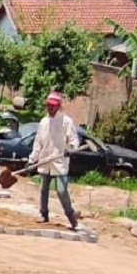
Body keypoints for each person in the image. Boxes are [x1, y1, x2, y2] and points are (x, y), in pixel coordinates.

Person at [28, 91, 80, 230]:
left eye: (53, 106)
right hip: (45, 160)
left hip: (59, 162)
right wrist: (32, 159)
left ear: (58, 106)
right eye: (48, 106)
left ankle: (71, 216)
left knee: (61, 190)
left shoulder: (66, 121)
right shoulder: (43, 122)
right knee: (43, 189)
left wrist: (71, 148)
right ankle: (43, 214)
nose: (50, 108)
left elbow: (74, 140)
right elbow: (38, 142)